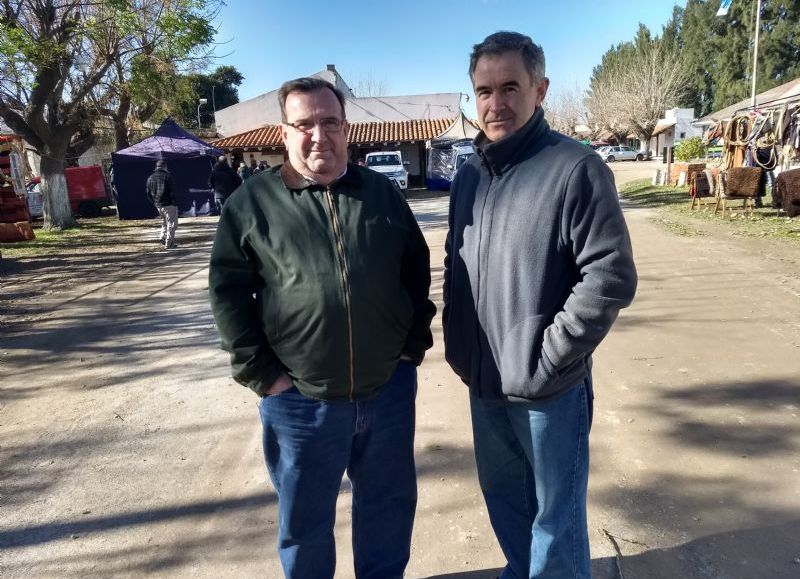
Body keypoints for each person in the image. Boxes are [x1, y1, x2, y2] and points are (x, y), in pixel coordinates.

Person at [208, 77, 435, 579]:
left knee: (388, 507)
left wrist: (410, 349)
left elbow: (415, 273)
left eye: (329, 122)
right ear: (283, 132)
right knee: (306, 522)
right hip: (299, 400)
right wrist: (264, 376)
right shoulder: (251, 204)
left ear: (346, 128)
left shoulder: (380, 194)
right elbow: (227, 294)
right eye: (304, 124)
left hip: (387, 392)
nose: (319, 135)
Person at [443, 32, 637, 578]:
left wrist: (549, 357)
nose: (496, 103)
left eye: (510, 87)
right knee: (507, 508)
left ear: (540, 89)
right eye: (484, 90)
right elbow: (455, 265)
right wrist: (461, 348)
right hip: (484, 384)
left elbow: (611, 275)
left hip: (548, 393)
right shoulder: (468, 176)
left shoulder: (575, 168)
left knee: (555, 524)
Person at [145, 159, 178, 249]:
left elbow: (148, 193)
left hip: (158, 204)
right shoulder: (167, 176)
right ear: (165, 167)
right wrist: (174, 202)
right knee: (171, 223)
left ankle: (162, 237)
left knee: (164, 222)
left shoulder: (150, 178)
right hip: (169, 204)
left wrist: (155, 203)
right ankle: (169, 243)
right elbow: (172, 191)